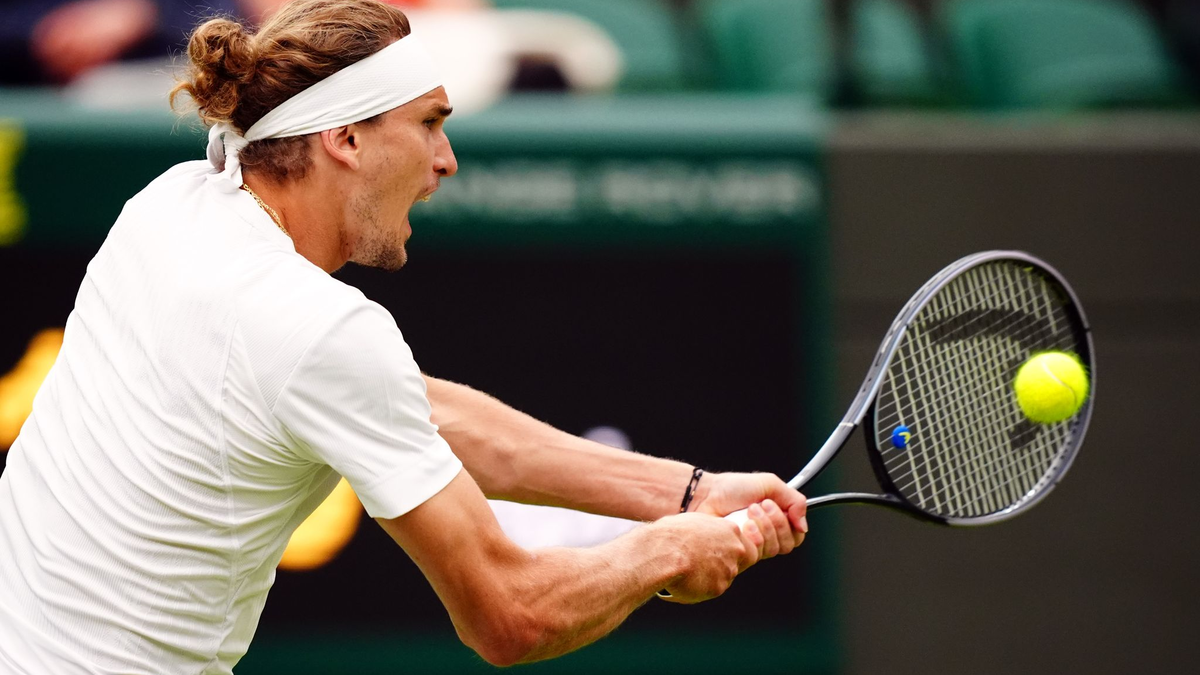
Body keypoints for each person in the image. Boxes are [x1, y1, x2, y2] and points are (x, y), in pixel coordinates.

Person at [0, 1, 808, 672]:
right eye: (428, 124)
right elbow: (511, 613)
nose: (446, 160)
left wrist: (688, 493)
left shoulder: (169, 207)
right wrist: (666, 553)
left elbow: (420, 412)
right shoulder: (319, 330)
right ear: (344, 139)